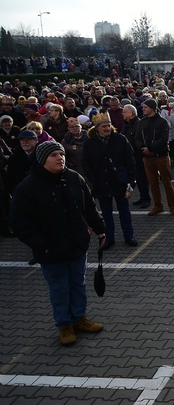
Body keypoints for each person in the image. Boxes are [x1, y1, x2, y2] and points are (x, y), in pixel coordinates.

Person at [10, 140, 107, 346]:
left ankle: (79, 318)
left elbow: (89, 207)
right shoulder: (28, 186)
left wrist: (100, 229)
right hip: (51, 249)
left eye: (61, 155)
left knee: (77, 283)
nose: (60, 158)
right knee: (59, 287)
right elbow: (20, 222)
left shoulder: (74, 178)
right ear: (42, 159)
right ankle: (64, 324)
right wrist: (40, 243)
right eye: (54, 155)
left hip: (76, 245)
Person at [82, 111, 138, 250]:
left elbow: (130, 160)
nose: (107, 129)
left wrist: (131, 179)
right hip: (101, 183)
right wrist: (94, 180)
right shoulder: (90, 143)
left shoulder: (120, 139)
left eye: (108, 125)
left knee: (124, 210)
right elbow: (86, 164)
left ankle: (128, 236)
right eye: (103, 126)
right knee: (106, 213)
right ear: (96, 128)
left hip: (119, 181)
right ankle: (109, 238)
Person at [135, 99, 174, 216]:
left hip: (161, 156)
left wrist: (150, 148)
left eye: (145, 107)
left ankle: (172, 205)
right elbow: (137, 138)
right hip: (147, 157)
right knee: (153, 183)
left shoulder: (162, 122)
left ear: (152, 108)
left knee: (166, 182)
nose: (143, 109)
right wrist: (143, 148)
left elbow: (163, 139)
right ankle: (157, 205)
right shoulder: (141, 122)